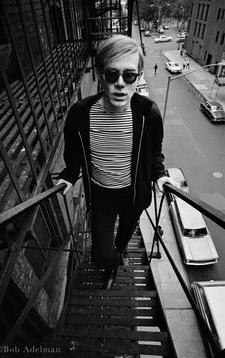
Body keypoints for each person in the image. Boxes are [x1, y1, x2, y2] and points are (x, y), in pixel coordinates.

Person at [57, 35, 177, 289]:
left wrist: (160, 174)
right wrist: (69, 174)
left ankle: (116, 260)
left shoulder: (147, 113)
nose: (121, 84)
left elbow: (155, 150)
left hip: (134, 195)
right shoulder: (80, 113)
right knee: (100, 254)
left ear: (139, 76)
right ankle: (109, 262)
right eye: (112, 75)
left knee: (123, 236)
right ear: (101, 75)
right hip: (100, 195)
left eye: (129, 75)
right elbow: (74, 152)